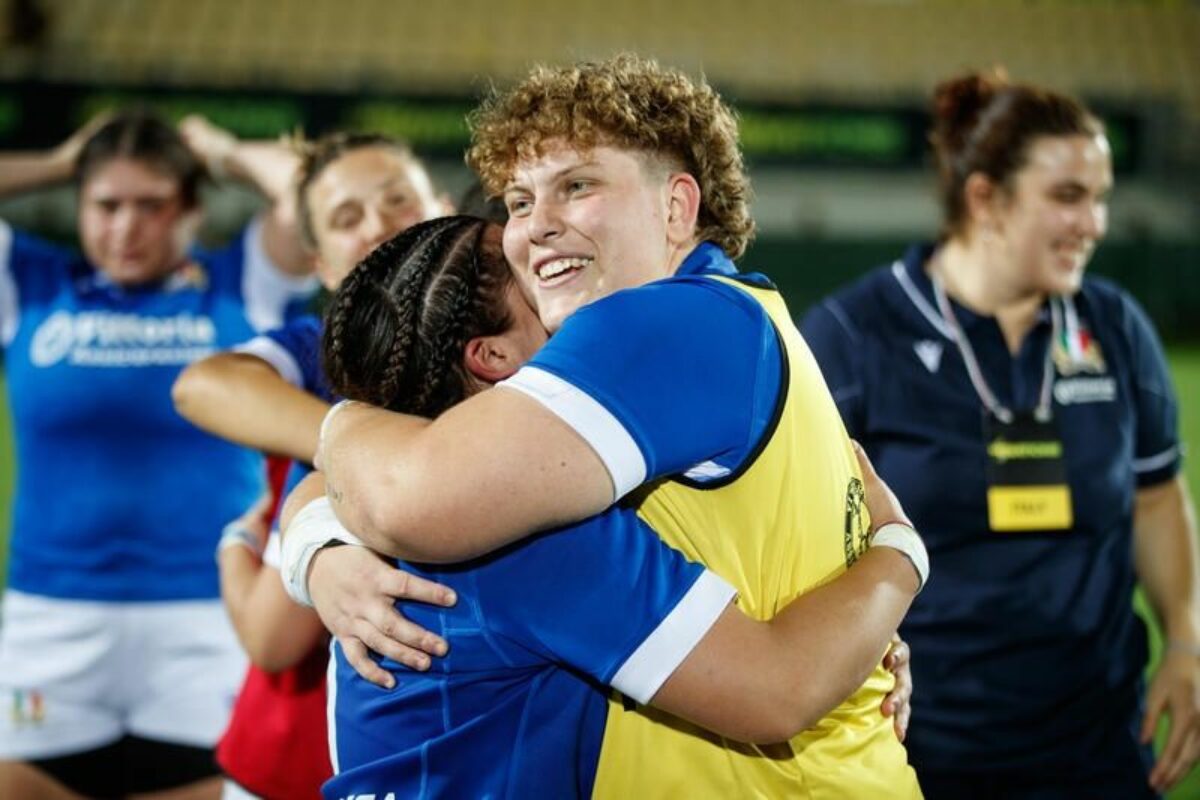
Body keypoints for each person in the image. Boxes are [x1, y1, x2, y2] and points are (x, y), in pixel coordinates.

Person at [289, 55, 924, 796]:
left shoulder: (666, 324)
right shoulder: (738, 320)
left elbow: (407, 499)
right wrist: (896, 557)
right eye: (520, 201)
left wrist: (337, 441)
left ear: (677, 207)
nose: (535, 230)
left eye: (578, 186)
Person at [800, 70, 1200, 799]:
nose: (1096, 224)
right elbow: (798, 539)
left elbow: (1155, 493)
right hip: (921, 745)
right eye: (1069, 197)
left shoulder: (1114, 326)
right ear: (985, 198)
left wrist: (1184, 635)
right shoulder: (853, 337)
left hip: (1101, 744)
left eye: (1101, 197)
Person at [0, 111, 316, 800]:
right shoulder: (30, 285)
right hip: (48, 618)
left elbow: (314, 195)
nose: (126, 226)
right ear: (79, 207)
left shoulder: (240, 286)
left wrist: (228, 151)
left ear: (193, 211)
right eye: (106, 204)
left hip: (210, 620)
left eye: (152, 205)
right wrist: (62, 158)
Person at [170, 130, 452, 799]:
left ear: (443, 206)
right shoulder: (334, 374)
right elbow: (200, 384)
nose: (380, 227)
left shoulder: (513, 344)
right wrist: (356, 445)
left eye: (397, 201)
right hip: (301, 758)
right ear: (321, 267)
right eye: (346, 220)